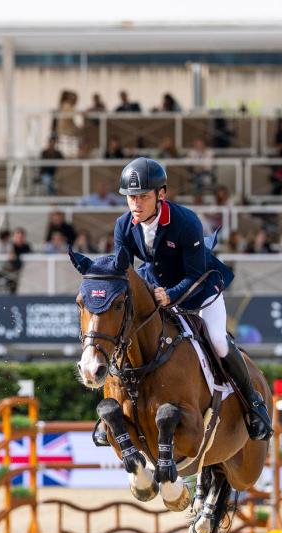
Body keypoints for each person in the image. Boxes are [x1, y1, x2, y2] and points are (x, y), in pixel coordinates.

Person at [96, 157, 272, 440]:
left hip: (198, 286)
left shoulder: (185, 221)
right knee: (125, 334)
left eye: (142, 196)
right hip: (156, 285)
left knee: (216, 339)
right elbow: (124, 272)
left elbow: (194, 274)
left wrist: (171, 296)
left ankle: (253, 403)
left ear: (161, 194)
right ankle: (113, 408)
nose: (135, 205)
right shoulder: (123, 225)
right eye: (130, 198)